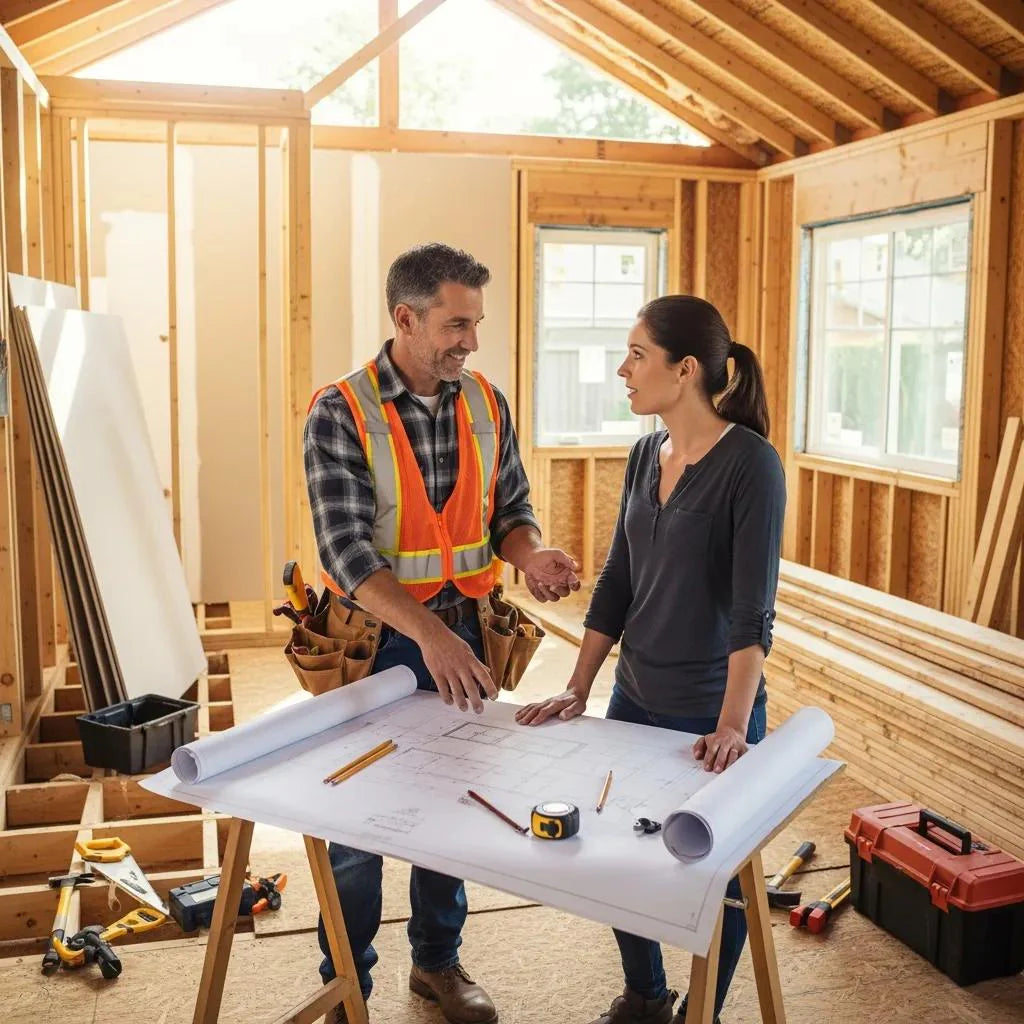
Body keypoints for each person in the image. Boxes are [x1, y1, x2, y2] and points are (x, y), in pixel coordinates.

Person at [304, 242, 580, 1024]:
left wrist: (532, 555)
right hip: (373, 643)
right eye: (457, 324)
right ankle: (347, 983)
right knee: (353, 824)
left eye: (476, 324)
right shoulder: (342, 411)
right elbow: (346, 553)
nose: (471, 340)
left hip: (462, 631)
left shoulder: (487, 403)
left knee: (450, 807)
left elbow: (509, 514)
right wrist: (431, 636)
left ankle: (437, 966)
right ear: (406, 318)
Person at [516, 295, 786, 1024]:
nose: (622, 370)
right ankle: (646, 995)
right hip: (635, 698)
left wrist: (733, 724)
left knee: (711, 877)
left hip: (709, 707)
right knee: (618, 857)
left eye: (637, 354)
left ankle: (702, 1012)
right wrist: (578, 687)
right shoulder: (644, 454)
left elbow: (753, 609)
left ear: (685, 369)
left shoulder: (751, 466)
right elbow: (617, 579)